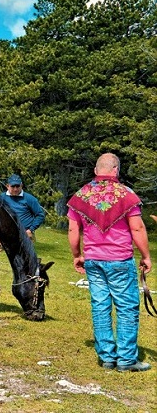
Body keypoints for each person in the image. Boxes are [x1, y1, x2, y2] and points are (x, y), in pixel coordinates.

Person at [67, 153, 152, 372]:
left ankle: (107, 357)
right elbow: (137, 228)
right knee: (126, 308)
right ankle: (126, 359)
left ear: (96, 171)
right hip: (120, 259)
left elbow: (73, 229)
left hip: (94, 259)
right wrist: (146, 256)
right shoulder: (126, 195)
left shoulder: (81, 196)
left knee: (100, 306)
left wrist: (77, 255)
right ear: (116, 170)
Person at [0, 173, 46, 286]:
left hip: (24, 234)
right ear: (7, 186)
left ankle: (28, 279)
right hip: (4, 233)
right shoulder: (2, 198)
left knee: (26, 256)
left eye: (17, 186)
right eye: (13, 186)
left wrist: (31, 229)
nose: (15, 189)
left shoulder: (29, 199)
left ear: (21, 186)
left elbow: (40, 215)